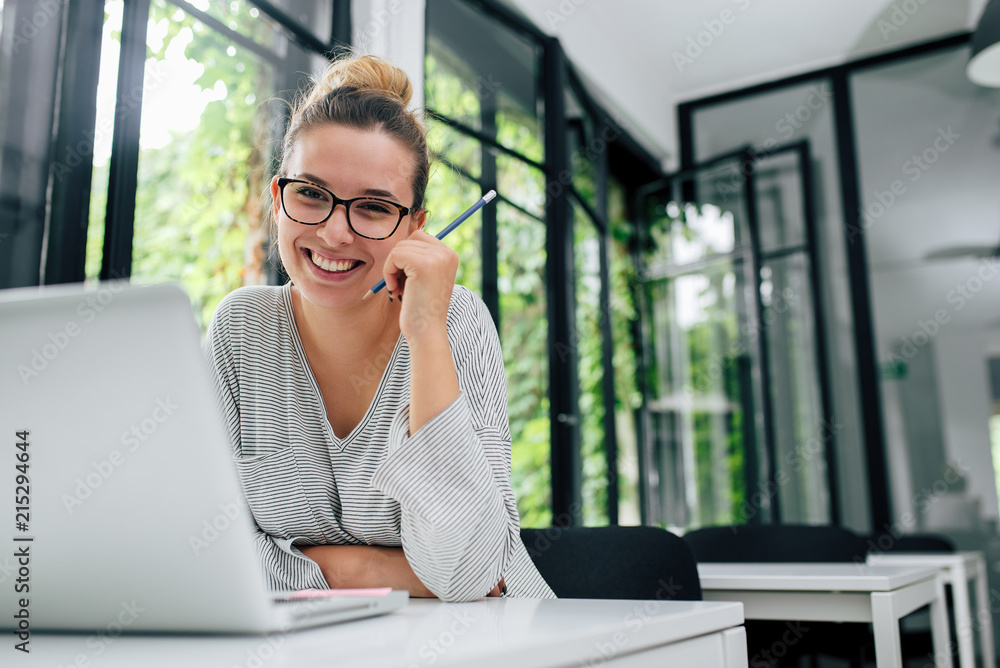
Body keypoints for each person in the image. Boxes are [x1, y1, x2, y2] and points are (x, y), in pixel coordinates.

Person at [203, 54, 554, 602]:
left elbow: (469, 571)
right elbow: (203, 548)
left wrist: (426, 332)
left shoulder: (454, 321)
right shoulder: (240, 328)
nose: (335, 233)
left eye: (372, 208)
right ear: (278, 198)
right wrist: (373, 575)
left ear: (415, 228)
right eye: (311, 194)